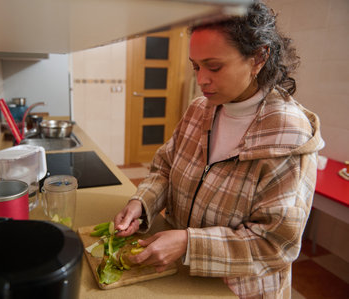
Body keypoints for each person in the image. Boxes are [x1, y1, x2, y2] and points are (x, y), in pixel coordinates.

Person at [114, 1, 324, 298]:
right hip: (180, 275)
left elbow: (275, 245)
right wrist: (141, 203)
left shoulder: (289, 136)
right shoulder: (200, 110)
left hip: (237, 291)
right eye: (196, 66)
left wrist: (189, 243)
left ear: (259, 57)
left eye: (214, 66)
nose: (201, 80)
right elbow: (164, 169)